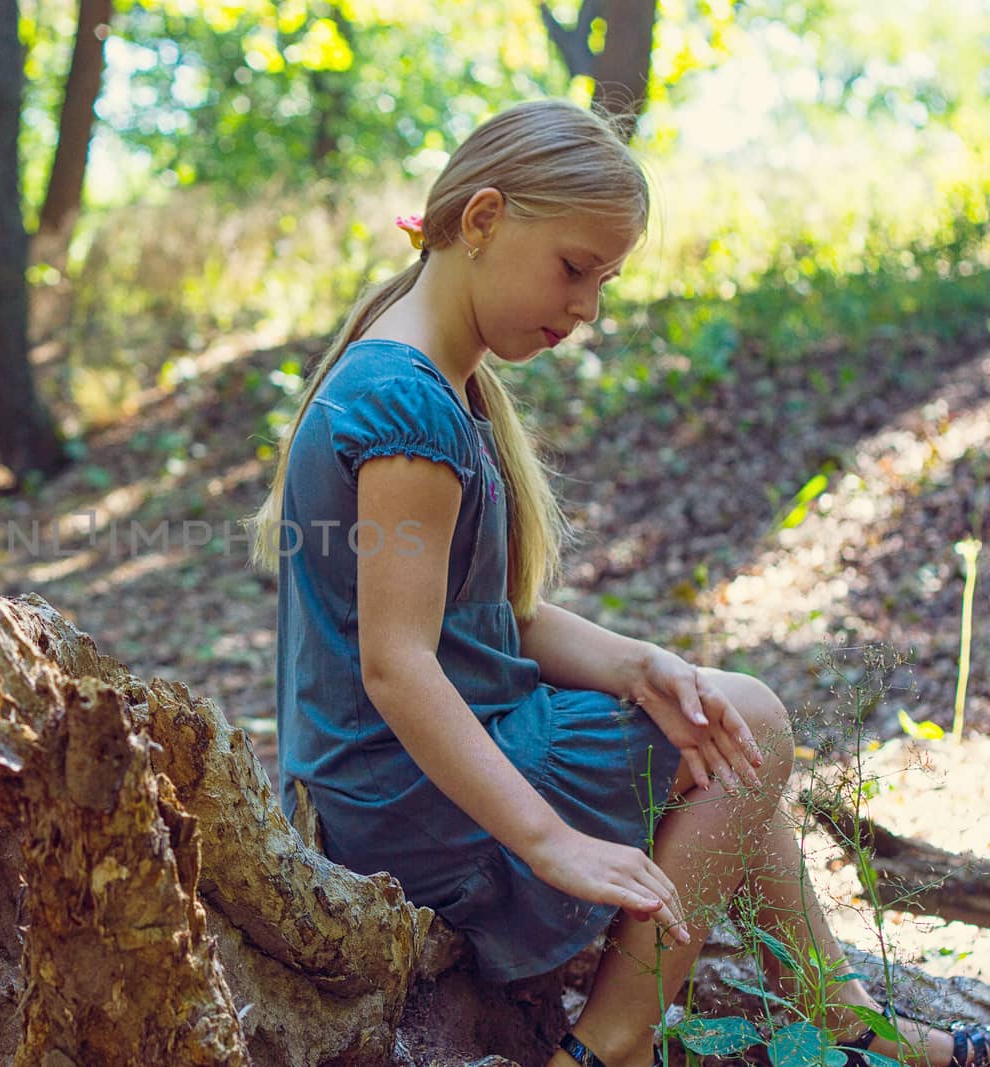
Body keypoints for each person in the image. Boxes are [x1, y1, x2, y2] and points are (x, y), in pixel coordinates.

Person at [246, 99, 989, 1067]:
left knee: (716, 726)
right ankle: (609, 1041)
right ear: (482, 221)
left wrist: (642, 666)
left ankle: (845, 1020)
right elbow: (396, 666)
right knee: (752, 718)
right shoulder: (403, 404)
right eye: (573, 267)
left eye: (604, 278)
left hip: (403, 781)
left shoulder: (433, 381)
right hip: (403, 803)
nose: (587, 306)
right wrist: (548, 838)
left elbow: (497, 616)